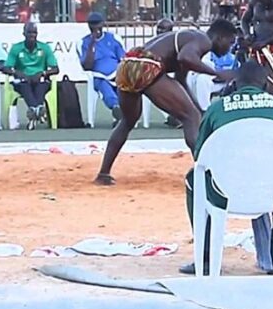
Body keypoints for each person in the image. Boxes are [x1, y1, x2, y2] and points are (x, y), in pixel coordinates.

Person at [180, 62, 273, 276]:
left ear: (235, 83)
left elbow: (200, 156)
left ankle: (205, 257)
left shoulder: (217, 108)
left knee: (192, 179)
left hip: (225, 191)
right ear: (265, 83)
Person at [94, 19, 238, 186]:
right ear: (220, 37)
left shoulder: (188, 40)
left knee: (128, 121)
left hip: (126, 66)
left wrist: (198, 109)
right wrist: (216, 73)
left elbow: (181, 81)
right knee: (190, 118)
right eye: (230, 42)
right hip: (146, 66)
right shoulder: (202, 40)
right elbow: (186, 58)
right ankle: (205, 175)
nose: (230, 47)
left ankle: (103, 173)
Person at [3, 22, 60, 130]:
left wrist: (42, 73)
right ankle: (38, 108)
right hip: (22, 80)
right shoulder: (16, 48)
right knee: (24, 85)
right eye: (29, 33)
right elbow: (6, 68)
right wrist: (17, 73)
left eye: (34, 33)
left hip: (40, 79)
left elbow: (55, 69)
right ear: (24, 33)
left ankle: (34, 109)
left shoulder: (44, 48)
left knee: (41, 84)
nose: (32, 36)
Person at [79, 12, 126, 124]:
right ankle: (116, 108)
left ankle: (121, 116)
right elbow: (86, 66)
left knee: (124, 87)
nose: (95, 27)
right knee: (105, 88)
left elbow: (123, 59)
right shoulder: (84, 42)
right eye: (92, 24)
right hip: (99, 76)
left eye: (97, 24)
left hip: (117, 74)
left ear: (102, 24)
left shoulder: (113, 38)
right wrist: (92, 44)